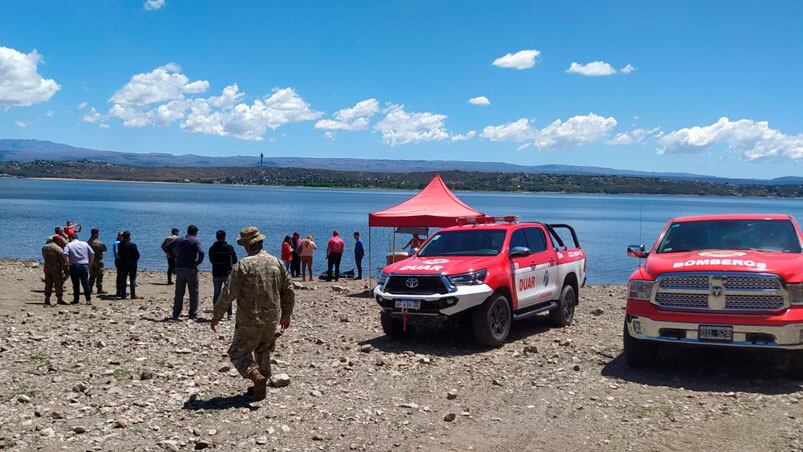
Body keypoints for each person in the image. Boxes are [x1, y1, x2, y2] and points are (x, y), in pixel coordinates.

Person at [210, 226, 294, 401]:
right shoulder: (276, 263)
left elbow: (228, 293)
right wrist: (287, 314)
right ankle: (259, 388)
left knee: (237, 352)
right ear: (261, 242)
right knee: (263, 350)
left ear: (248, 246)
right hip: (272, 319)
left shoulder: (243, 265)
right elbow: (288, 290)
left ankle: (256, 377)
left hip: (249, 320)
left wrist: (217, 315)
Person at [165, 225, 205, 320]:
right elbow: (201, 252)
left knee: (179, 292)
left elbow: (167, 247)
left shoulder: (179, 239)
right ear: (195, 232)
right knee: (193, 292)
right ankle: (192, 314)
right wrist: (198, 261)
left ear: (187, 231)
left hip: (179, 268)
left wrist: (173, 256)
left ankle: (176, 314)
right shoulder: (195, 241)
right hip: (191, 268)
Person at [209, 229, 238, 320]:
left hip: (216, 272)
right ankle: (229, 314)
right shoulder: (229, 247)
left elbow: (211, 260)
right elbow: (235, 260)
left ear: (216, 237)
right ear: (225, 237)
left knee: (216, 294)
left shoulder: (212, 248)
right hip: (227, 272)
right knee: (227, 294)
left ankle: (216, 313)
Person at [62, 233, 94, 305]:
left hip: (74, 266)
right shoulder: (84, 244)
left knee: (76, 284)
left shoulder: (69, 245)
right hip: (84, 265)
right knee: (85, 283)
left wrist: (68, 263)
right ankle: (88, 300)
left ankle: (76, 300)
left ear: (70, 238)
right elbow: (92, 253)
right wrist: (90, 264)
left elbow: (64, 254)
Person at [42, 236, 68, 306]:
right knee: (58, 283)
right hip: (56, 268)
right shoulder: (58, 248)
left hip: (47, 267)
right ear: (58, 241)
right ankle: (59, 299)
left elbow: (44, 257)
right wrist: (65, 267)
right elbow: (62, 259)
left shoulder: (44, 247)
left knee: (48, 283)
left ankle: (47, 299)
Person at [117, 231, 140, 299]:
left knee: (123, 279)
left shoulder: (120, 245)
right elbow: (137, 255)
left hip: (123, 264)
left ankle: (123, 295)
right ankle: (133, 295)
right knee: (132, 279)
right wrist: (134, 261)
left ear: (123, 237)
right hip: (132, 264)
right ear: (129, 236)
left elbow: (119, 254)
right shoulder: (132, 244)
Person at [87, 228, 108, 294]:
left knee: (92, 274)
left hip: (90, 260)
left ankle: (89, 288)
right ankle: (99, 289)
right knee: (100, 274)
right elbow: (105, 248)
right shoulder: (98, 242)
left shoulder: (88, 242)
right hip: (98, 260)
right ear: (96, 234)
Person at [113, 231, 124, 298]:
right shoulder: (117, 243)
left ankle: (119, 290)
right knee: (120, 275)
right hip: (120, 260)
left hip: (118, 260)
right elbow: (116, 253)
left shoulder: (117, 242)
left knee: (120, 275)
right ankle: (119, 291)